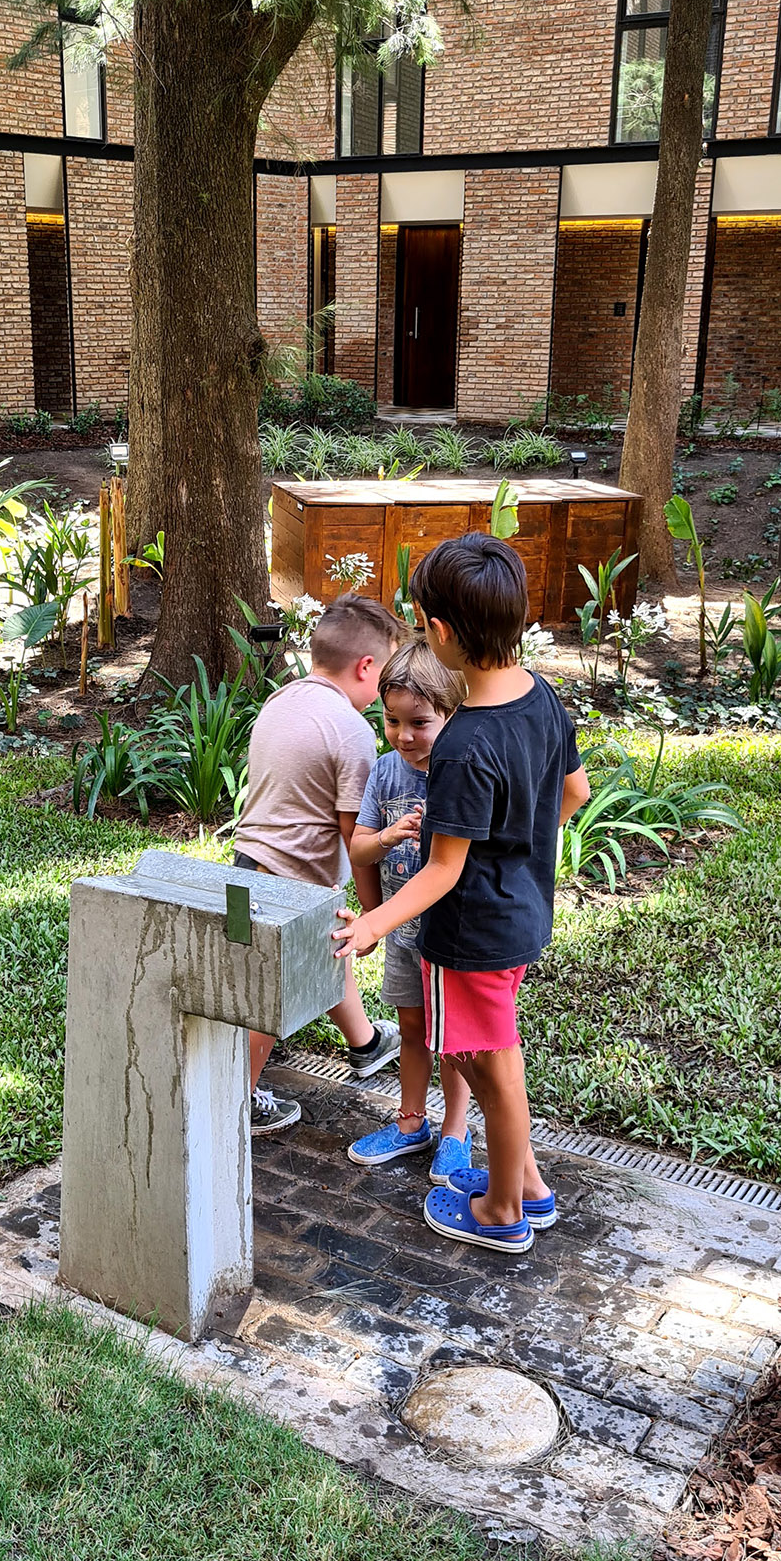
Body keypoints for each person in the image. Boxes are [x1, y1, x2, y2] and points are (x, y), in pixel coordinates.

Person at [332, 534, 590, 1254]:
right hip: (522, 913)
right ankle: (528, 1184)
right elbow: (574, 793)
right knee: (498, 1060)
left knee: (489, 1065)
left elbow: (442, 870)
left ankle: (501, 1209)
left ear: (440, 631)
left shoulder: (463, 743)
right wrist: (514, 848)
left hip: (470, 934)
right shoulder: (542, 696)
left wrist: (371, 924)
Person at [234, 593, 405, 1135]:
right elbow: (355, 838)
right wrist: (374, 915)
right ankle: (237, 1102)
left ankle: (366, 1043)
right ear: (367, 668)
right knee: (270, 991)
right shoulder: (351, 729)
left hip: (246, 866)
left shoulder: (281, 700)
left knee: (319, 961)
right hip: (295, 882)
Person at [345, 638, 474, 1186]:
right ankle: (410, 1121)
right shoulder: (385, 773)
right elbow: (358, 849)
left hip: (453, 938)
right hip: (400, 935)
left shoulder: (463, 771)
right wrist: (374, 914)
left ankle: (455, 1131)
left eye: (419, 722)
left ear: (451, 713)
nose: (403, 735)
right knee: (414, 1027)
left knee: (455, 1040)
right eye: (391, 721)